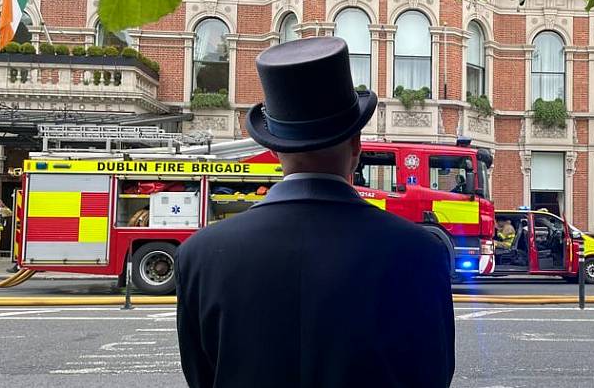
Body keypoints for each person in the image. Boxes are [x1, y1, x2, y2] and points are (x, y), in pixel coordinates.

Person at [175, 37, 454, 388]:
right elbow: (433, 375)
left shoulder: (198, 257)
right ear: (356, 146)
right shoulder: (422, 254)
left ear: (275, 150)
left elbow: (202, 377)